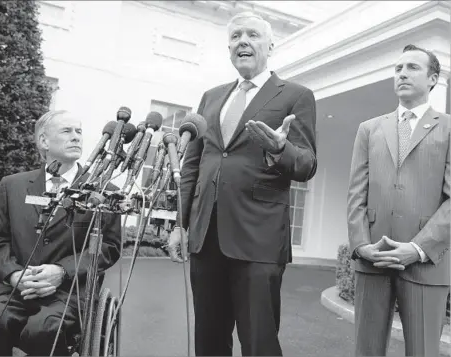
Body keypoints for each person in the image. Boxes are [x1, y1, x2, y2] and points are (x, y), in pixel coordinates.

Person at [168, 11, 317, 356]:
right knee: (208, 341)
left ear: (270, 45)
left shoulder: (296, 95)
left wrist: (281, 149)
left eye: (252, 35)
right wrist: (179, 223)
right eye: (235, 37)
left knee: (258, 342)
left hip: (258, 238)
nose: (243, 42)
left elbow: (307, 164)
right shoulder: (211, 97)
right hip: (206, 237)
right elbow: (193, 165)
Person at [347, 44, 450, 356]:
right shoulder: (369, 129)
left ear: (434, 79)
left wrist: (417, 249)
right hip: (372, 260)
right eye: (398, 68)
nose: (402, 73)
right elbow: (356, 195)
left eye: (412, 68)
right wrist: (361, 245)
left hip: (425, 264)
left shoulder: (449, 127)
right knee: (367, 351)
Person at [0, 110, 121, 356]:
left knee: (43, 329)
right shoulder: (13, 185)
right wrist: (13, 275)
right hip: (17, 286)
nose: (76, 137)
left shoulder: (104, 191)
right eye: (67, 131)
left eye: (79, 131)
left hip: (69, 291)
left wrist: (62, 271)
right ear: (43, 141)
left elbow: (109, 247)